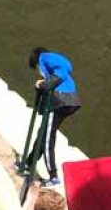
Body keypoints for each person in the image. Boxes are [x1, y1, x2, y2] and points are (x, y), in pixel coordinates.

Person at [29, 47, 81, 184]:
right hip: (69, 101)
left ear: (36, 60)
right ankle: (29, 163)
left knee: (47, 138)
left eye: (36, 68)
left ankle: (53, 177)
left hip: (59, 101)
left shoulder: (45, 57)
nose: (39, 71)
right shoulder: (52, 62)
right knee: (44, 132)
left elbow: (61, 70)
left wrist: (44, 84)